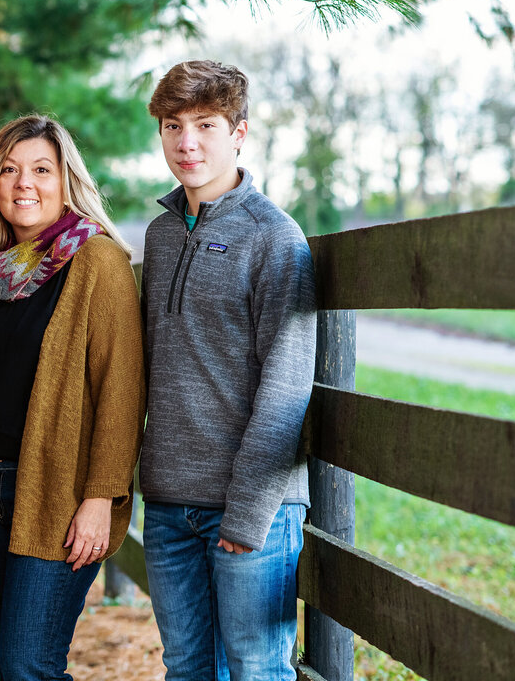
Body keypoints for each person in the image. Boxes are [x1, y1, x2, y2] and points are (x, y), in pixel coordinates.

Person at [0, 114, 145, 680]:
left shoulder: (97, 261)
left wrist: (100, 499)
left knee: (28, 665)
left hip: (56, 493)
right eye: (8, 170)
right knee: (7, 667)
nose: (23, 184)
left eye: (41, 169)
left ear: (67, 181)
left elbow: (121, 390)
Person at [140, 59, 317, 681]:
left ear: (239, 132)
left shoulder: (275, 237)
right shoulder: (161, 237)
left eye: (206, 125)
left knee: (255, 669)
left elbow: (288, 383)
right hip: (166, 504)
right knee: (186, 666)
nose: (187, 143)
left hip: (249, 509)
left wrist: (248, 512)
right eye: (173, 125)